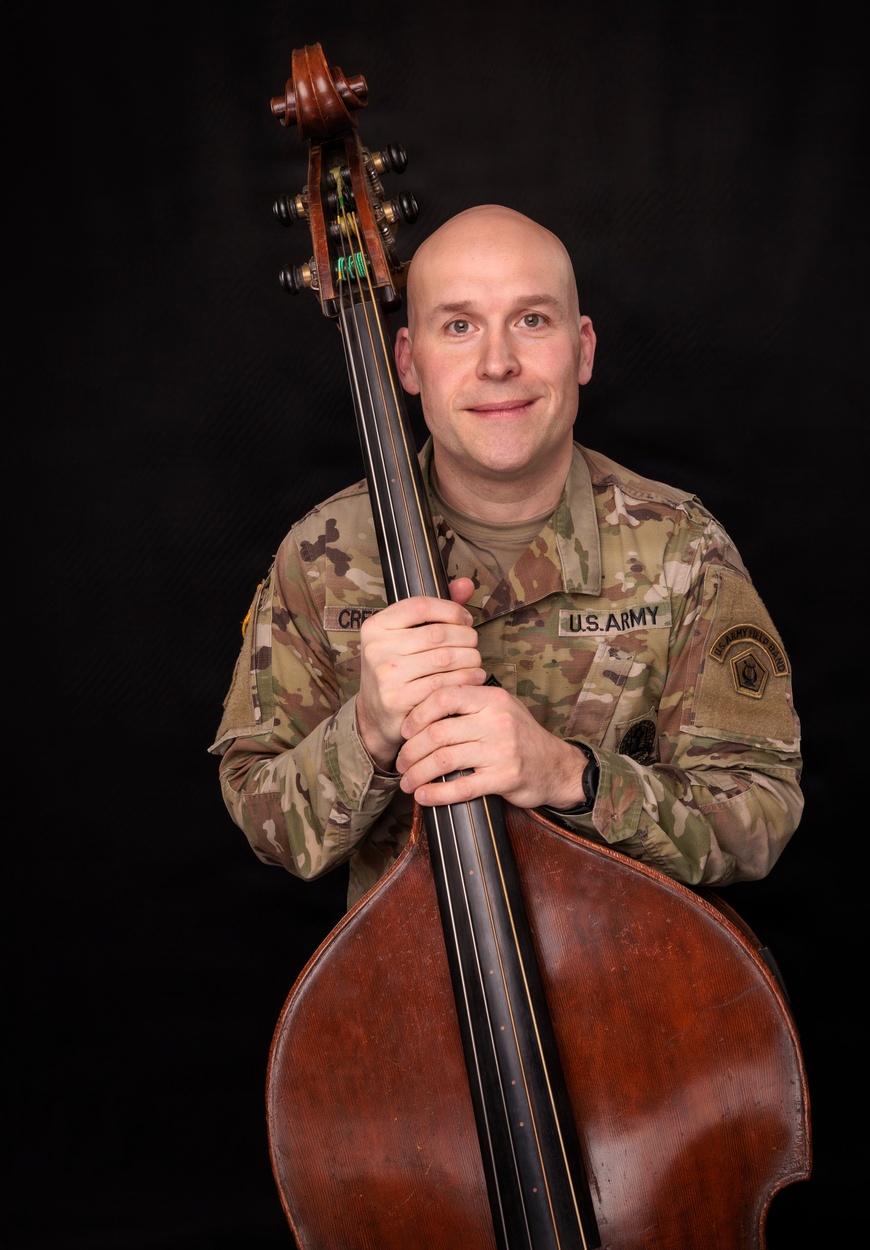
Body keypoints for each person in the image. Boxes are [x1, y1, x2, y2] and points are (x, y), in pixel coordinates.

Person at [209, 204, 803, 911]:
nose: (498, 363)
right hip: (407, 973)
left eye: (532, 319)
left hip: (633, 969)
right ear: (408, 362)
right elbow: (263, 822)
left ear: (583, 349)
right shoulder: (320, 556)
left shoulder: (685, 548)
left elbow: (760, 818)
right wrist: (366, 730)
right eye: (459, 326)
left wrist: (571, 776)